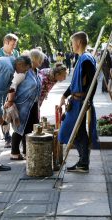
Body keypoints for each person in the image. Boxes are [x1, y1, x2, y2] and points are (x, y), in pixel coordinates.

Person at [58, 31, 99, 173]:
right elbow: (75, 83)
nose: (71, 46)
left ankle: (83, 162)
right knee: (78, 132)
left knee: (70, 131)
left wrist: (88, 100)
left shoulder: (86, 59)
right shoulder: (81, 58)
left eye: (72, 43)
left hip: (80, 102)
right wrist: (64, 95)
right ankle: (83, 162)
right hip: (76, 101)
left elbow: (93, 82)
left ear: (79, 42)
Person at [0, 56, 31, 169]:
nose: (25, 72)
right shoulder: (8, 68)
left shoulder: (6, 61)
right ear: (20, 64)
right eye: (25, 69)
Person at [7, 49, 44, 160]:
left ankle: (27, 151)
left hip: (32, 104)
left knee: (29, 128)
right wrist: (10, 101)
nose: (42, 62)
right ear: (34, 59)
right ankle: (14, 152)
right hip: (22, 104)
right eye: (40, 60)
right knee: (20, 128)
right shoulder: (24, 71)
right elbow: (13, 85)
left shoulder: (36, 71)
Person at [0, 33, 20, 148]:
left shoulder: (16, 53)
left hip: (13, 86)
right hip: (1, 87)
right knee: (3, 111)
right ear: (6, 42)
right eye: (13, 44)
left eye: (15, 44)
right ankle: (7, 136)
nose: (14, 47)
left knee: (10, 111)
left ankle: (12, 136)